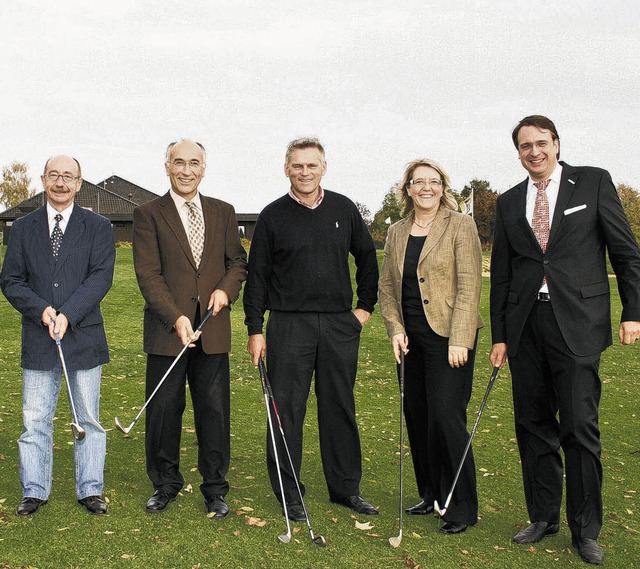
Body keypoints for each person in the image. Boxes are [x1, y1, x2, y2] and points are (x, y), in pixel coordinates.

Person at [490, 115, 640, 565]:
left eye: (541, 143)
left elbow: (626, 253)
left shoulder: (592, 183)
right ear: (517, 152)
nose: (533, 152)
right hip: (524, 327)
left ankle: (585, 528)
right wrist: (499, 336)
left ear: (556, 143)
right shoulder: (508, 201)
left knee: (578, 427)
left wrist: (633, 311)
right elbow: (501, 276)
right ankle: (543, 516)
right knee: (532, 425)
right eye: (524, 146)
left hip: (577, 323)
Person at [243, 137, 379, 520]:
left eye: (312, 165)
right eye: (297, 166)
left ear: (324, 167)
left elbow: (368, 259)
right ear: (287, 168)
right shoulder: (272, 215)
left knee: (339, 407)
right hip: (288, 325)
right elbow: (257, 278)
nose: (305, 172)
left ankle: (345, 489)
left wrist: (363, 310)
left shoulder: (344, 208)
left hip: (339, 324)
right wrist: (256, 328)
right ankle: (289, 492)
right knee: (286, 410)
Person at [132, 139, 247, 518]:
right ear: (166, 166)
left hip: (212, 330)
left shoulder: (223, 211)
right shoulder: (148, 213)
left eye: (193, 163)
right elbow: (148, 275)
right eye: (178, 163)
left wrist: (225, 291)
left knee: (213, 412)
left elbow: (237, 263)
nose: (186, 170)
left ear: (203, 168)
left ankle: (215, 489)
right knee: (164, 411)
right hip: (169, 332)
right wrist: (177, 317)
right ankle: (165, 484)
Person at [0, 155, 115, 516]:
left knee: (89, 420)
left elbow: (100, 277)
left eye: (69, 176)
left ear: (80, 182)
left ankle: (90, 490)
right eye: (54, 175)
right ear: (43, 180)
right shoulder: (21, 228)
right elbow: (11, 280)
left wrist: (68, 313)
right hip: (38, 338)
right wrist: (42, 311)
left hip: (83, 337)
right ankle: (34, 490)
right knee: (34, 420)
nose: (61, 182)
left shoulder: (98, 226)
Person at [379, 159, 483, 535]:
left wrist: (461, 338)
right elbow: (387, 288)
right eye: (418, 182)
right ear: (407, 188)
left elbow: (470, 286)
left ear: (443, 187)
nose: (426, 188)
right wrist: (394, 328)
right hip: (410, 340)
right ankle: (431, 494)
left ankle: (461, 505)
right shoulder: (396, 232)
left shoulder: (460, 225)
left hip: (448, 337)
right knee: (419, 416)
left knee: (446, 417)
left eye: (434, 181)